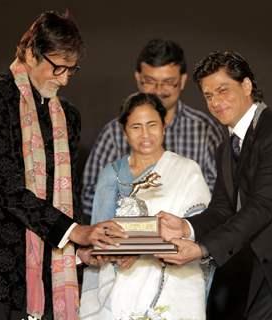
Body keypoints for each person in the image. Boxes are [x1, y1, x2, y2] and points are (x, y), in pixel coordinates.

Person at [0, 11, 125, 320]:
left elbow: (69, 197)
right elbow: (6, 187)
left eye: (71, 70)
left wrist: (78, 249)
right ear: (30, 53)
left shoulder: (67, 116)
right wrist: (75, 232)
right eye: (57, 67)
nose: (64, 79)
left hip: (43, 268)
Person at [156, 50, 272, 320]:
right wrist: (186, 227)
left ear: (246, 86)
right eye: (208, 95)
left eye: (223, 90)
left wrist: (202, 249)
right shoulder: (225, 146)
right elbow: (222, 209)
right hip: (267, 274)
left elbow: (260, 207)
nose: (215, 102)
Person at [79, 92, 211, 320]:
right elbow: (99, 235)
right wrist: (113, 255)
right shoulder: (111, 175)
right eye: (136, 127)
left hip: (176, 287)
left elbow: (203, 230)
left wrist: (141, 251)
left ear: (164, 125)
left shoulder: (187, 170)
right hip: (120, 285)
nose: (145, 134)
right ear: (124, 131)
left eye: (152, 125)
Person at [81, 39, 225, 218]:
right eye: (150, 81)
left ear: (182, 80)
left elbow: (221, 199)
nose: (158, 90)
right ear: (138, 78)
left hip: (187, 240)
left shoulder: (205, 131)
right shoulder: (113, 133)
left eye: (168, 82)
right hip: (122, 242)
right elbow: (90, 198)